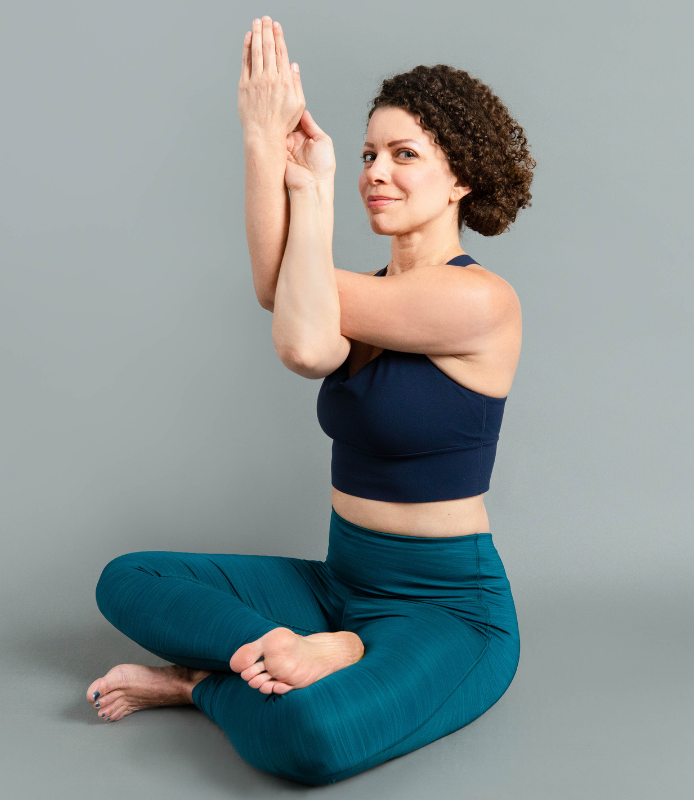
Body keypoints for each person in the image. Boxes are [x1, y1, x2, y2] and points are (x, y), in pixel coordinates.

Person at [85, 15, 535, 785]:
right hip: (341, 581)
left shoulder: (480, 301)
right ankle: (273, 650)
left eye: (404, 155)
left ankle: (203, 683)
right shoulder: (360, 298)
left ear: (460, 178)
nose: (376, 172)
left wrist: (313, 184)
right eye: (367, 155)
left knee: (310, 738)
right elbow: (290, 306)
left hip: (447, 608)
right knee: (128, 579)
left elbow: (293, 323)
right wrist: (264, 144)